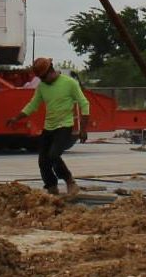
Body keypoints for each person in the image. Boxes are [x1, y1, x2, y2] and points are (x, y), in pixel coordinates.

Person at [9, 57, 90, 197]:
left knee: (53, 155)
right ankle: (51, 186)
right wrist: (17, 117)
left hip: (64, 126)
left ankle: (70, 181)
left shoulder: (70, 83)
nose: (42, 80)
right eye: (40, 78)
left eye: (43, 77)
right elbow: (33, 105)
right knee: (43, 160)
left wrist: (83, 129)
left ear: (51, 70)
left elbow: (84, 104)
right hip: (49, 127)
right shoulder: (42, 87)